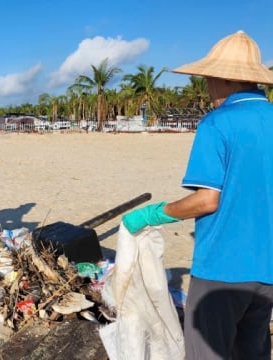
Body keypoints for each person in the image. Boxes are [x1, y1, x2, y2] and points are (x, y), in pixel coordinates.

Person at [122, 31, 273, 360]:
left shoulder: (218, 123)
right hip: (268, 271)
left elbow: (207, 200)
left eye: (208, 80)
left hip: (222, 269)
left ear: (224, 80)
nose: (207, 88)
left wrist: (156, 213)